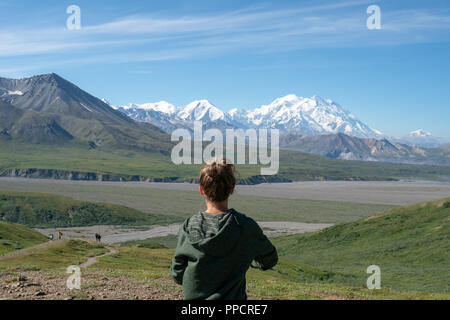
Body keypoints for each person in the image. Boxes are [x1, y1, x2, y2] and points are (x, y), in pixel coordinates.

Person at [170, 158, 278, 300]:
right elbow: (270, 259)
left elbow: (177, 274)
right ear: (232, 188)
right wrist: (246, 257)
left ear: (201, 190)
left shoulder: (189, 225)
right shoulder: (245, 226)